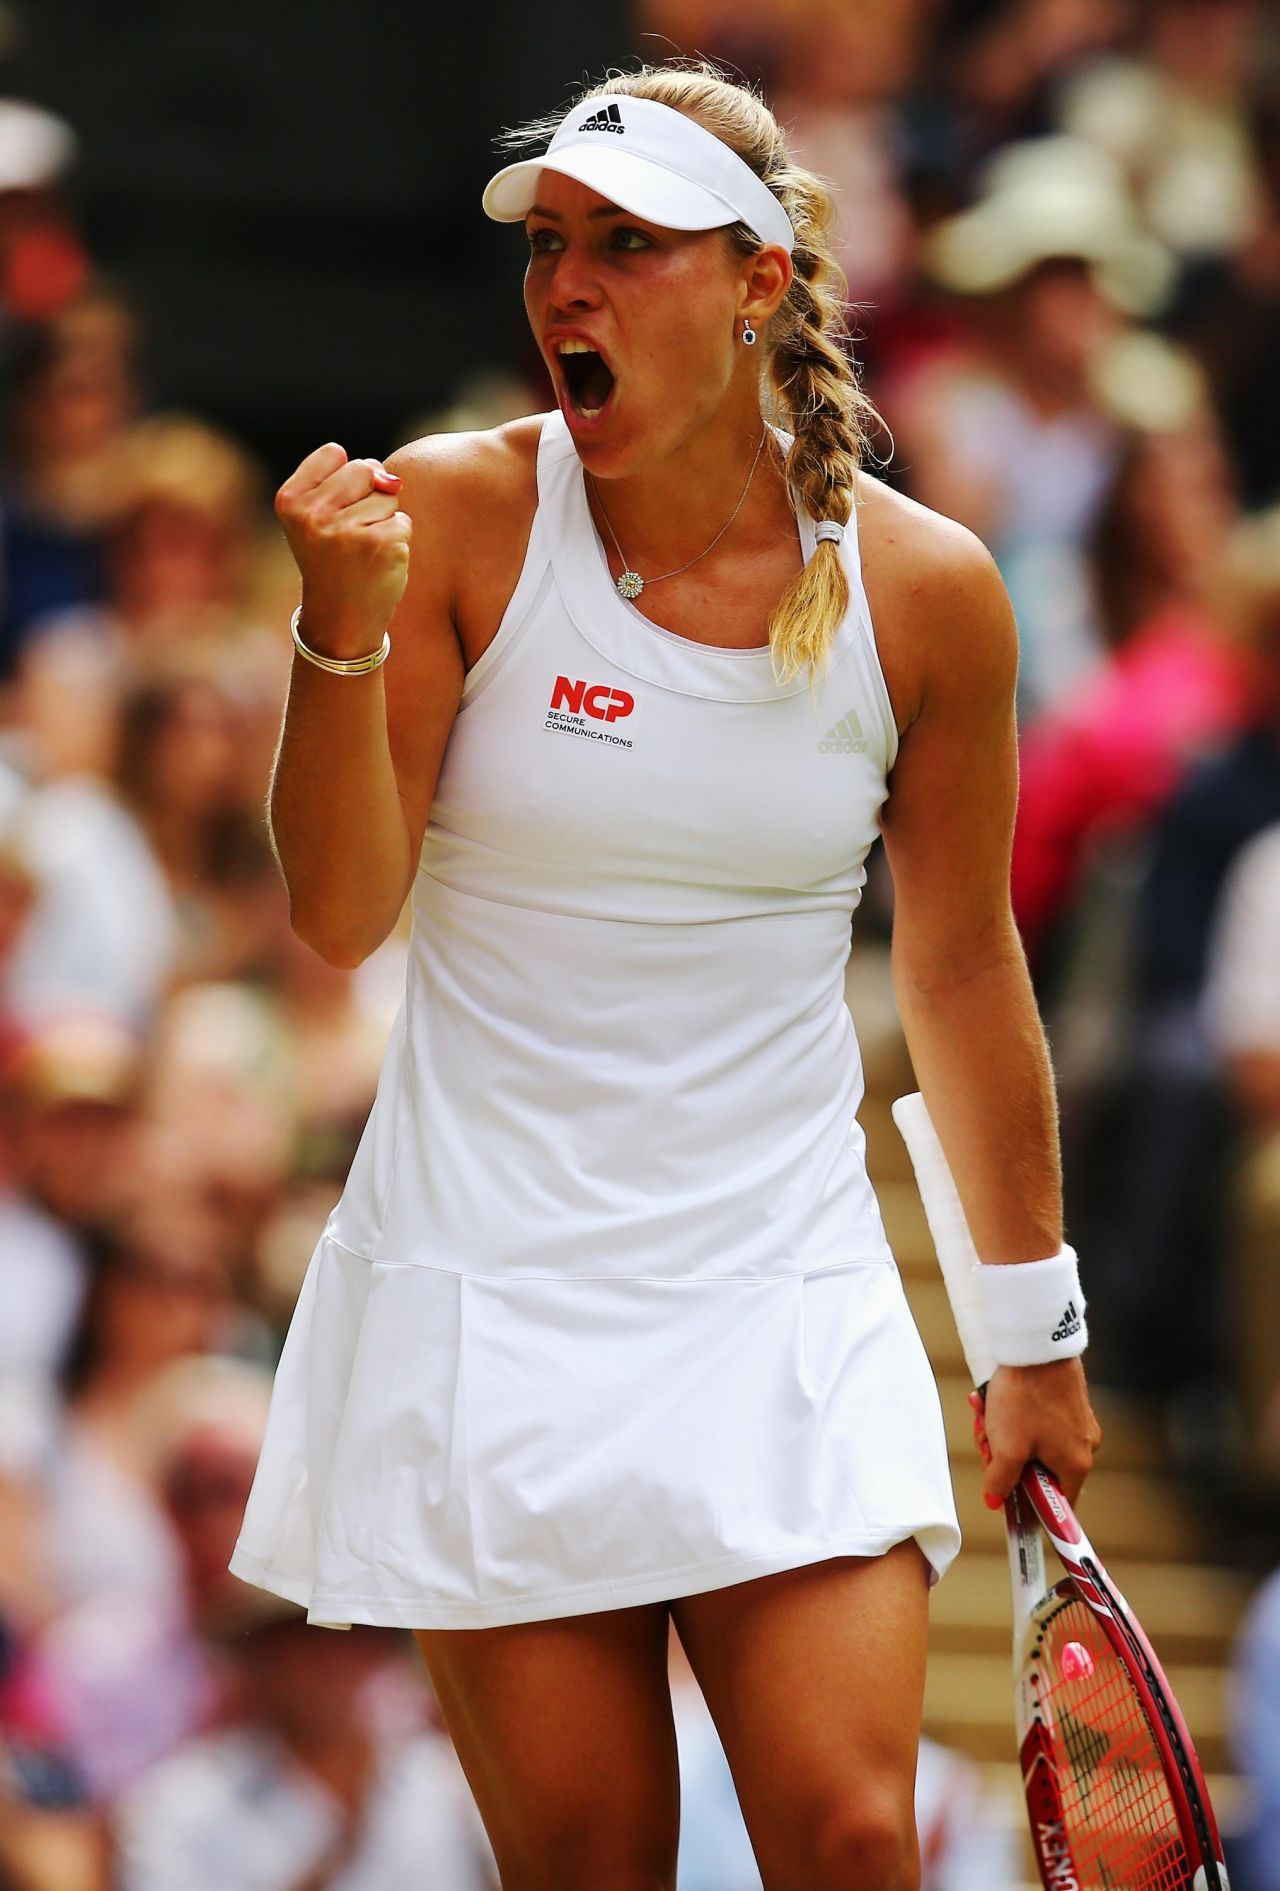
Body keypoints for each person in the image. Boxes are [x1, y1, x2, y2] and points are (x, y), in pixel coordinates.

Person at [228, 61, 1101, 1891]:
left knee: (859, 1841)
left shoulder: (930, 592)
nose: (569, 286)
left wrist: (1033, 1331)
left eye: (628, 244)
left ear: (760, 282)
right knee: (599, 1863)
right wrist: (338, 631)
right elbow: (337, 913)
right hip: (491, 1298)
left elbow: (958, 963)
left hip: (775, 1291)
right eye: (552, 244)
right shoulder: (452, 517)